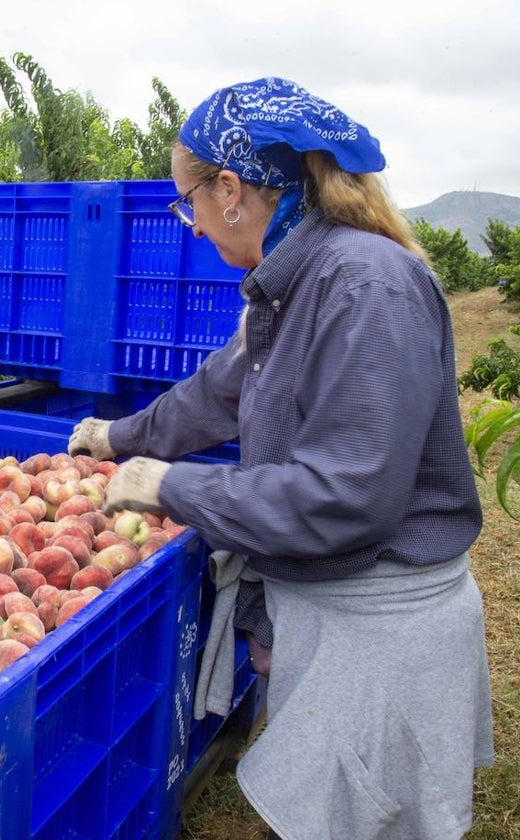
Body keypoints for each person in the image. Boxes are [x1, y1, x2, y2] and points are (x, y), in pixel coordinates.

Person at [68, 77, 494, 839]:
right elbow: (214, 396)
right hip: (333, 607)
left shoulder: (364, 287)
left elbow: (345, 496)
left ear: (230, 189)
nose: (191, 227)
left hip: (381, 631)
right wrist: (118, 438)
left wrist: (173, 486)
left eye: (188, 202)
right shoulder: (293, 286)